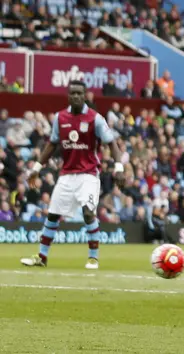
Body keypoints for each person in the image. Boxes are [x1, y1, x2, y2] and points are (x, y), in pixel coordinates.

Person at [20, 80, 125, 269]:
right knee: (52, 216)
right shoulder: (60, 118)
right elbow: (52, 144)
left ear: (85, 96)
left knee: (87, 212)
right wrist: (36, 168)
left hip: (89, 175)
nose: (76, 96)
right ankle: (42, 257)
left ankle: (93, 257)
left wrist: (118, 167)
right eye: (72, 93)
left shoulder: (95, 118)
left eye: (79, 93)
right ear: (68, 96)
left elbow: (112, 143)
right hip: (66, 175)